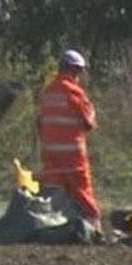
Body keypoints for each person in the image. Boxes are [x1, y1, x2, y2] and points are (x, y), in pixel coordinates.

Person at [38, 49, 101, 229]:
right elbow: (89, 122)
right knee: (84, 196)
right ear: (75, 71)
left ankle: (55, 231)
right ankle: (94, 230)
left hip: (51, 156)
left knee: (54, 198)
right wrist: (91, 109)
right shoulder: (75, 92)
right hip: (73, 157)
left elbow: (40, 123)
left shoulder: (47, 92)